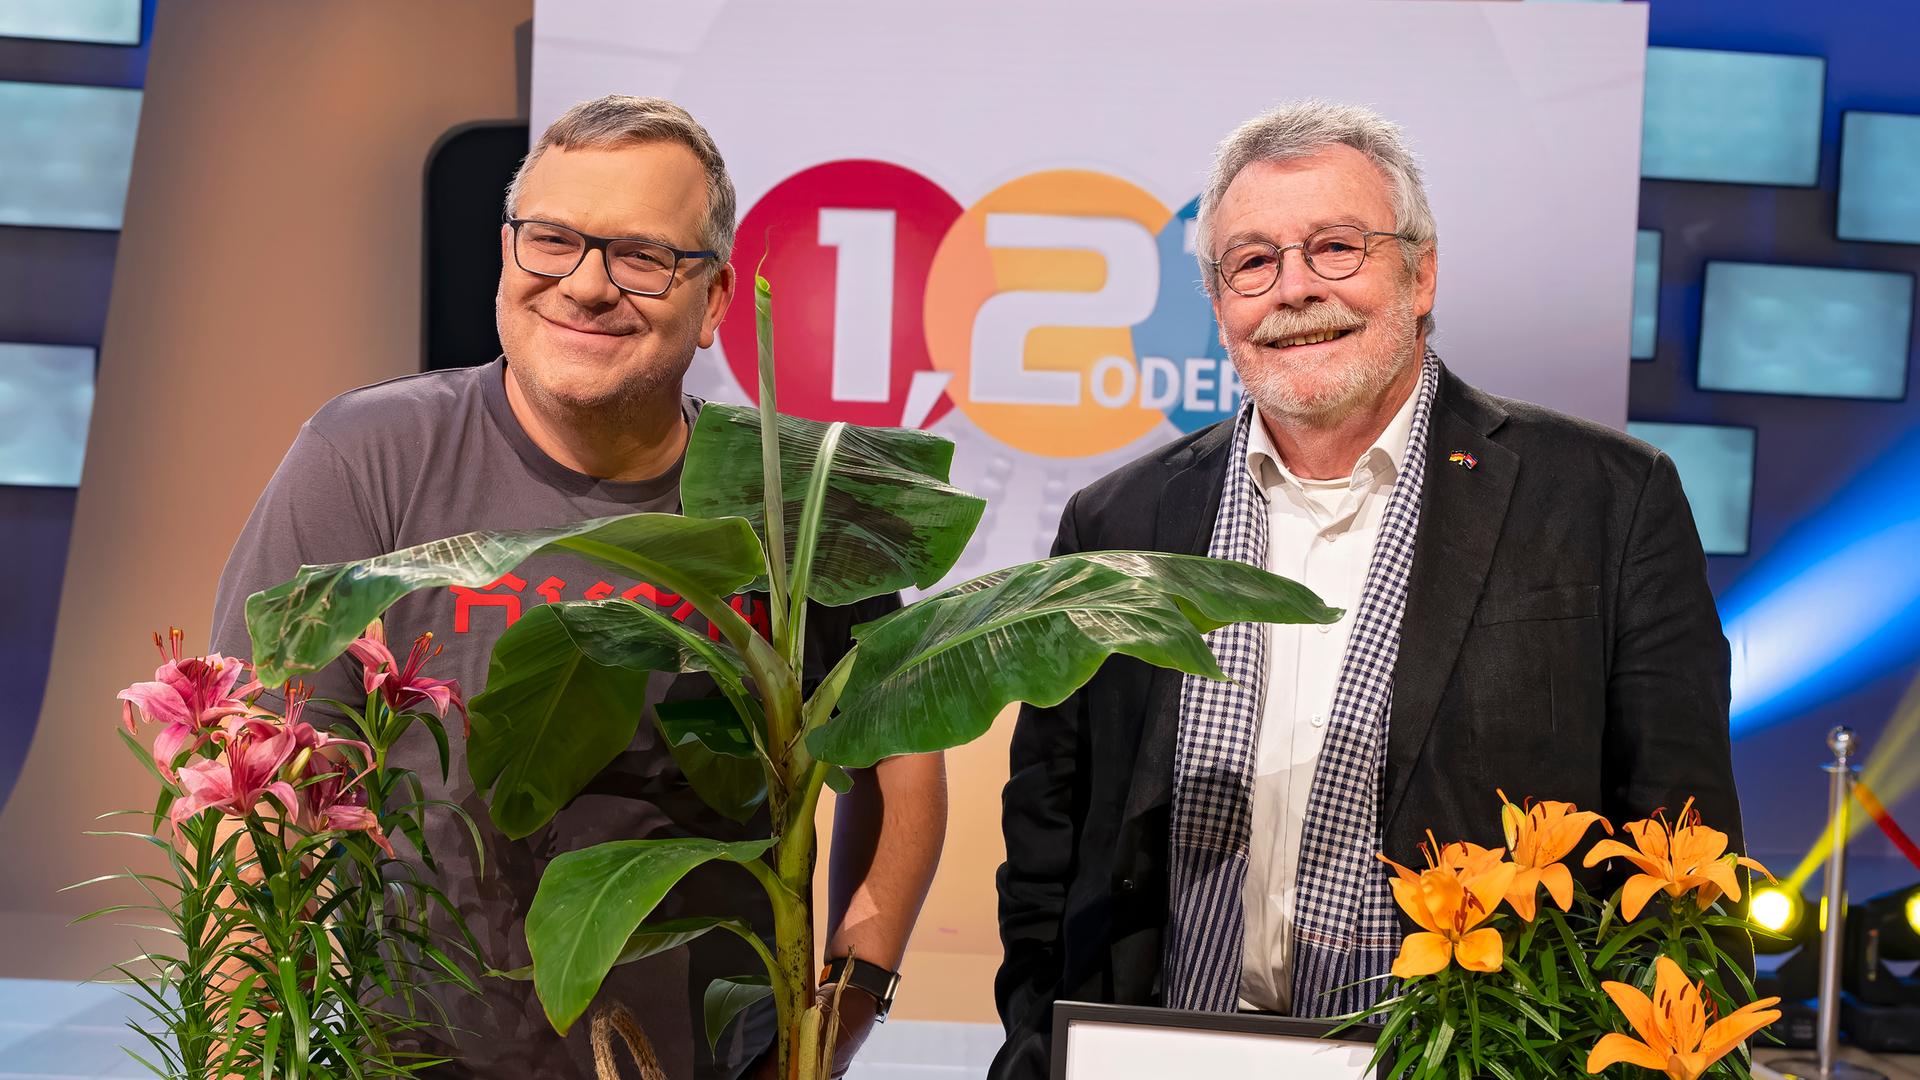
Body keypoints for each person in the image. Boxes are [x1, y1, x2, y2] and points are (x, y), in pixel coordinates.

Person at [990, 100, 1742, 1080]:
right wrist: (1037, 1049)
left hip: (1477, 1060)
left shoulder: (1607, 501)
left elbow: (1685, 849)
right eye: (1253, 262)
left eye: (1336, 248)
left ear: (1421, 273)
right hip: (1161, 1051)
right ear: (1219, 304)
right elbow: (1048, 835)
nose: (1294, 290)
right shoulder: (1120, 523)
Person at [211, 95, 946, 1080]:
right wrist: (245, 1050)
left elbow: (903, 769)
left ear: (718, 297)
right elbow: (263, 783)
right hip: (408, 1059)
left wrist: (841, 1016)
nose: (586, 287)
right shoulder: (370, 457)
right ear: (510, 252)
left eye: (643, 256)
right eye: (551, 240)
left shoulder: (791, 492)